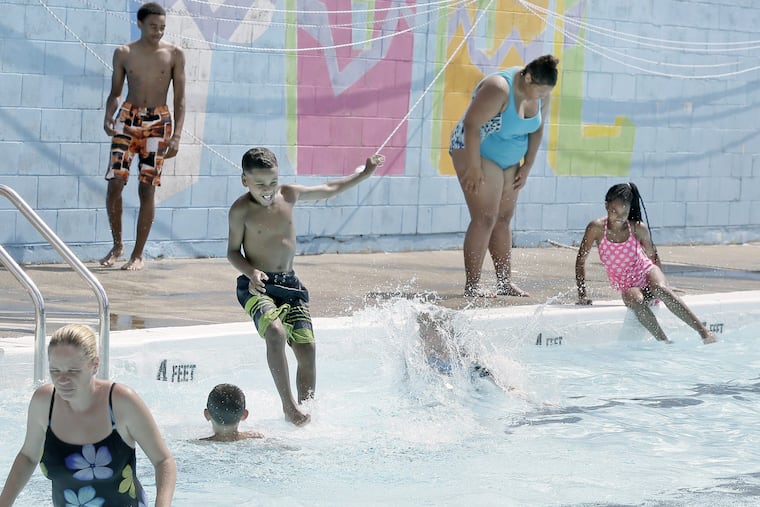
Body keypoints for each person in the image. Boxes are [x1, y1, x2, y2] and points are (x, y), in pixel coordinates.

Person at [227, 147, 384, 426]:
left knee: (307, 348)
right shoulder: (240, 211)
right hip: (256, 285)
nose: (267, 189)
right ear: (244, 181)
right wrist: (251, 272)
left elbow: (330, 188)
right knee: (274, 334)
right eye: (260, 184)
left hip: (290, 284)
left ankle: (306, 412)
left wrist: (366, 173)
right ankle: (289, 407)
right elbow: (232, 252)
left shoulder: (288, 195)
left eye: (272, 182)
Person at [0, 324, 176, 507]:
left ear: (95, 365)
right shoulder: (44, 403)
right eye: (55, 370)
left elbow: (163, 460)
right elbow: (28, 457)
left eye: (73, 371)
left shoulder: (121, 402)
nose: (62, 380)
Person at [449, 55, 559, 297]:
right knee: (485, 217)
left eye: (544, 94)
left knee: (504, 218)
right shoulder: (499, 88)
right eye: (538, 93)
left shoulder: (541, 91)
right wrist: (474, 166)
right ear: (527, 77)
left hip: (510, 158)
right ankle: (473, 286)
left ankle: (504, 282)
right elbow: (471, 125)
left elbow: (538, 128)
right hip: (477, 151)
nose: (541, 98)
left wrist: (528, 165)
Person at [100, 2, 186, 271]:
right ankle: (117, 245)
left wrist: (177, 136)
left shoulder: (174, 54)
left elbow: (181, 98)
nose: (157, 32)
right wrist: (108, 115)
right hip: (128, 119)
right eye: (152, 26)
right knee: (115, 183)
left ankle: (137, 254)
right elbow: (115, 92)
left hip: (158, 122)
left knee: (146, 188)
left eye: (161, 27)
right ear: (139, 24)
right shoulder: (124, 53)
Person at [575, 183, 717, 345]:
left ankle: (705, 334)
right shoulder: (596, 228)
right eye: (614, 211)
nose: (619, 217)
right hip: (627, 283)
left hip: (646, 271)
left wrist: (664, 283)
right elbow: (581, 261)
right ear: (606, 206)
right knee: (635, 300)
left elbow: (652, 255)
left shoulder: (637, 228)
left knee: (661, 290)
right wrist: (582, 295)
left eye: (624, 212)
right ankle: (665, 342)